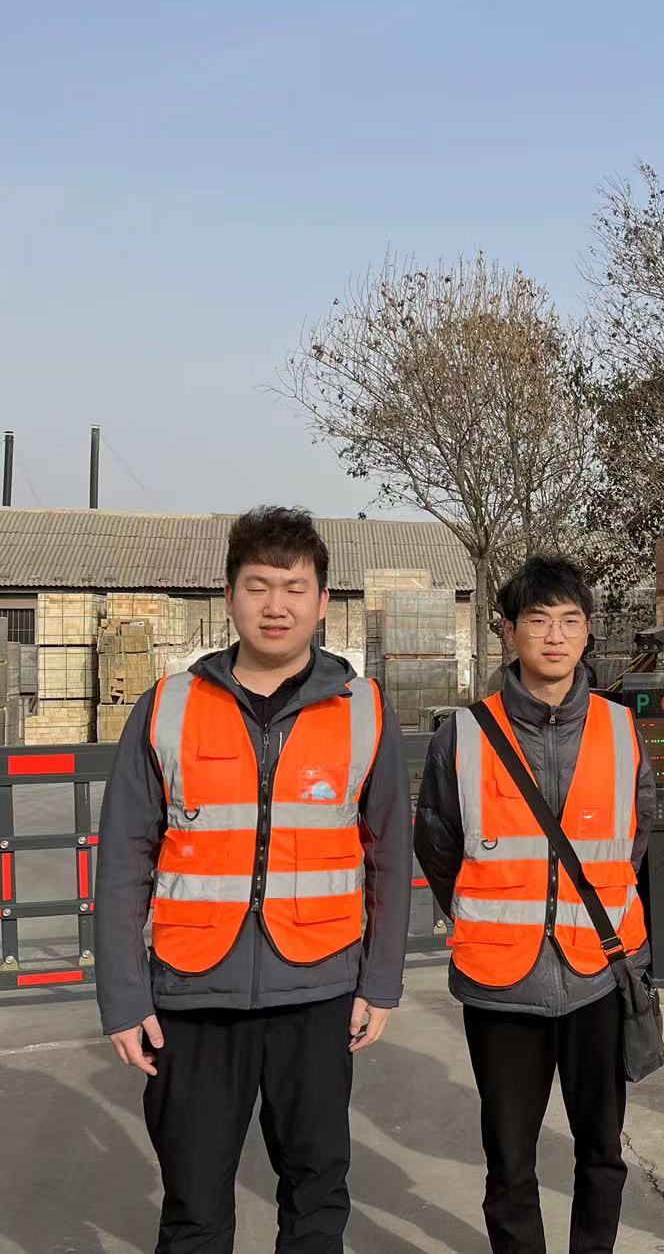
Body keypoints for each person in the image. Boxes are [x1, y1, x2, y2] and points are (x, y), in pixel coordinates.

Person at [95, 505, 413, 1253]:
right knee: (194, 1204)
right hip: (193, 995)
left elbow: (391, 858)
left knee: (316, 1196)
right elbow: (123, 863)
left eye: (295, 588)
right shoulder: (168, 708)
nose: (277, 605)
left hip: (319, 992)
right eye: (258, 586)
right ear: (230, 596)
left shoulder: (363, 710)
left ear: (322, 601)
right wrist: (124, 998)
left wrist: (381, 982)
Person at [414, 555, 655, 1254]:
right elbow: (439, 844)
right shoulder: (463, 734)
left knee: (601, 1150)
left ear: (588, 632)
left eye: (570, 621)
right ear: (509, 630)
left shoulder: (620, 729)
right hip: (500, 983)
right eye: (538, 620)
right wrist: (493, 911)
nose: (555, 636)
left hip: (598, 974)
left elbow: (634, 840)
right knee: (510, 1159)